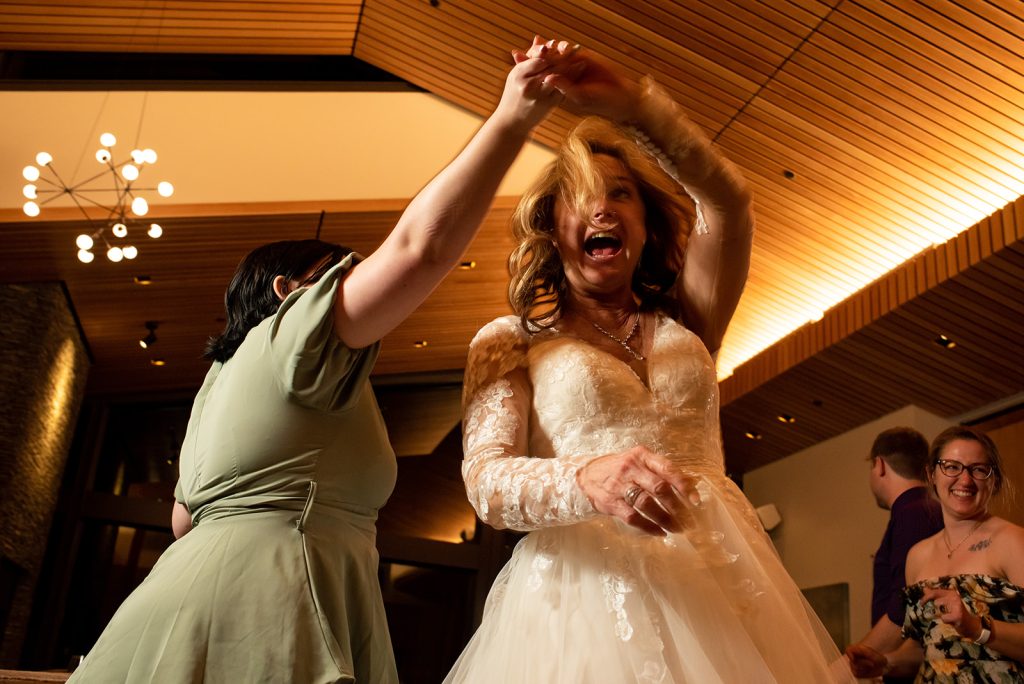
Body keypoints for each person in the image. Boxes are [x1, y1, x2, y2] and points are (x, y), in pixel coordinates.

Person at [68, 42, 571, 683]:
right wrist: (512, 117)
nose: (363, 289)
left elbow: (181, 520)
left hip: (178, 605)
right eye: (345, 277)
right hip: (270, 602)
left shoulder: (216, 384)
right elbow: (419, 250)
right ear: (288, 293)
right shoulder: (290, 337)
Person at [445, 38, 855, 683]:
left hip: (723, 580)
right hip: (581, 597)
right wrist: (585, 480)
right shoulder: (507, 339)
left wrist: (638, 108)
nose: (603, 207)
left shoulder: (689, 319)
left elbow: (730, 203)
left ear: (644, 225)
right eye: (581, 197)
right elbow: (486, 485)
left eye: (620, 194)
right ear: (553, 226)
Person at [846, 426, 1024, 681]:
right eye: (951, 467)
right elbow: (926, 646)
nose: (965, 480)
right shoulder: (918, 555)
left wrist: (978, 628)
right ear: (931, 474)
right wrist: (886, 662)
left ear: (992, 479)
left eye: (978, 469)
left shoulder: (1013, 541)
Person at [847, 427, 944, 683]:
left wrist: (849, 668)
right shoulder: (922, 511)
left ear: (879, 465)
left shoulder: (914, 514)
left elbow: (905, 605)